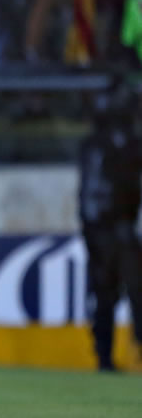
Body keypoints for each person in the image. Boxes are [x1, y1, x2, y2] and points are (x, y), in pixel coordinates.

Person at [79, 79, 142, 371]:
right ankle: (105, 356)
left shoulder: (93, 144)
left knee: (108, 295)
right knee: (123, 294)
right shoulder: (125, 144)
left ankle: (104, 356)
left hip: (102, 230)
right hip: (117, 230)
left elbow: (86, 195)